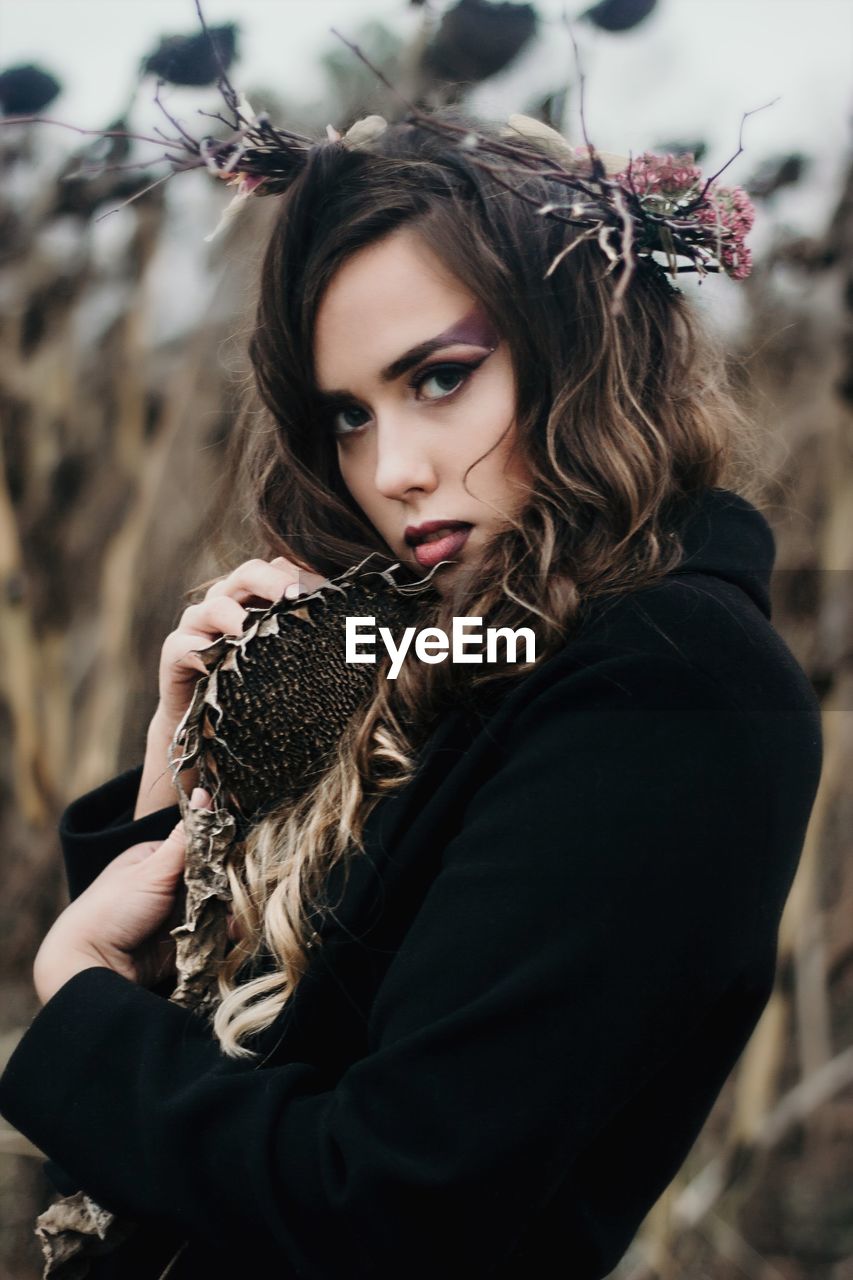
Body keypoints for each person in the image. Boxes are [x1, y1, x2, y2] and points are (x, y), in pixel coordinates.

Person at [0, 105, 823, 1280]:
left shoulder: (673, 687)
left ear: (580, 344)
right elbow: (258, 1046)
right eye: (348, 414)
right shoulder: (462, 652)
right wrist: (181, 788)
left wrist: (76, 1001)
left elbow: (389, 1208)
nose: (390, 470)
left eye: (440, 377)